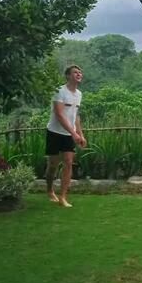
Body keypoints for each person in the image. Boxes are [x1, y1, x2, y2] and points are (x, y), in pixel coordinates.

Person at [45, 64, 87, 207]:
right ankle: (50, 190)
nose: (79, 74)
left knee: (68, 162)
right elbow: (59, 114)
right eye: (75, 72)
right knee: (53, 165)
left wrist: (80, 134)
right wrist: (73, 133)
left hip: (70, 134)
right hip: (55, 132)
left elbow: (75, 116)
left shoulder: (79, 94)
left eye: (80, 72)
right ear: (68, 76)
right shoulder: (60, 91)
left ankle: (62, 197)